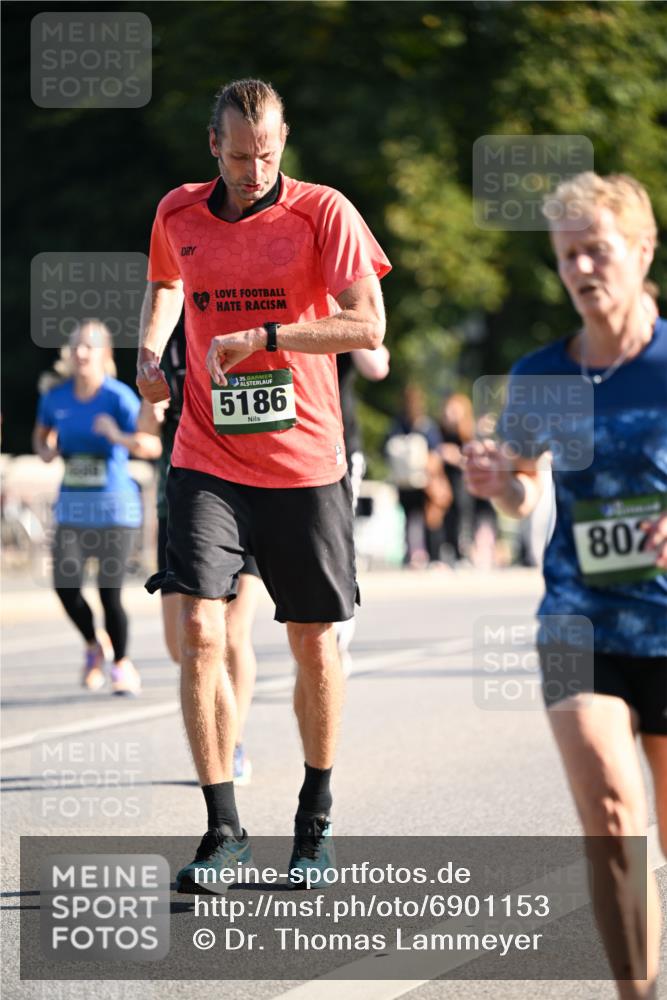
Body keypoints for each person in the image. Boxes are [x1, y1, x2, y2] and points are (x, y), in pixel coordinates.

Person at [135, 78, 390, 889]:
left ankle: (313, 821)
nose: (255, 169)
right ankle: (222, 829)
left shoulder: (324, 213)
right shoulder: (178, 211)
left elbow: (368, 323)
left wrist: (265, 335)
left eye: (268, 153)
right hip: (206, 455)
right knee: (201, 635)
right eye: (240, 155)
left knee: (312, 640)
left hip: (305, 463)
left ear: (284, 141)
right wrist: (150, 350)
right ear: (214, 146)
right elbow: (166, 281)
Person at [464, 172, 666, 999]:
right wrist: (495, 483)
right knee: (611, 818)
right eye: (566, 256)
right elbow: (520, 486)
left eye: (597, 250)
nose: (582, 268)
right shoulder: (538, 373)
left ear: (641, 251)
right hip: (575, 620)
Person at [155, 316, 261, 784]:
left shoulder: (249, 320)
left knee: (232, 633)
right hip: (188, 496)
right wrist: (148, 408)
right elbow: (145, 418)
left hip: (255, 488)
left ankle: (231, 742)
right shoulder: (163, 342)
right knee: (187, 644)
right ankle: (221, 728)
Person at [33, 320, 160, 695]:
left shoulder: (118, 397)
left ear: (104, 354)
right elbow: (41, 438)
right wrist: (47, 450)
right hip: (72, 509)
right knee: (64, 584)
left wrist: (117, 435)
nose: (80, 353)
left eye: (89, 347)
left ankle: (121, 664)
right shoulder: (55, 397)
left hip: (115, 511)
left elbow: (150, 446)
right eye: (75, 347)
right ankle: (94, 644)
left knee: (110, 592)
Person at [334, 346, 390, 669]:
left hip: (340, 447)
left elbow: (377, 367)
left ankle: (336, 631)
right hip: (289, 444)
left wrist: (348, 321)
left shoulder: (343, 304)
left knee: (336, 536)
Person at [386, 383, 451, 567]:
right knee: (430, 520)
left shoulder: (397, 425)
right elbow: (436, 452)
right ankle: (434, 557)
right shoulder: (426, 426)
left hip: (407, 481)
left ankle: (410, 556)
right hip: (423, 480)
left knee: (410, 520)